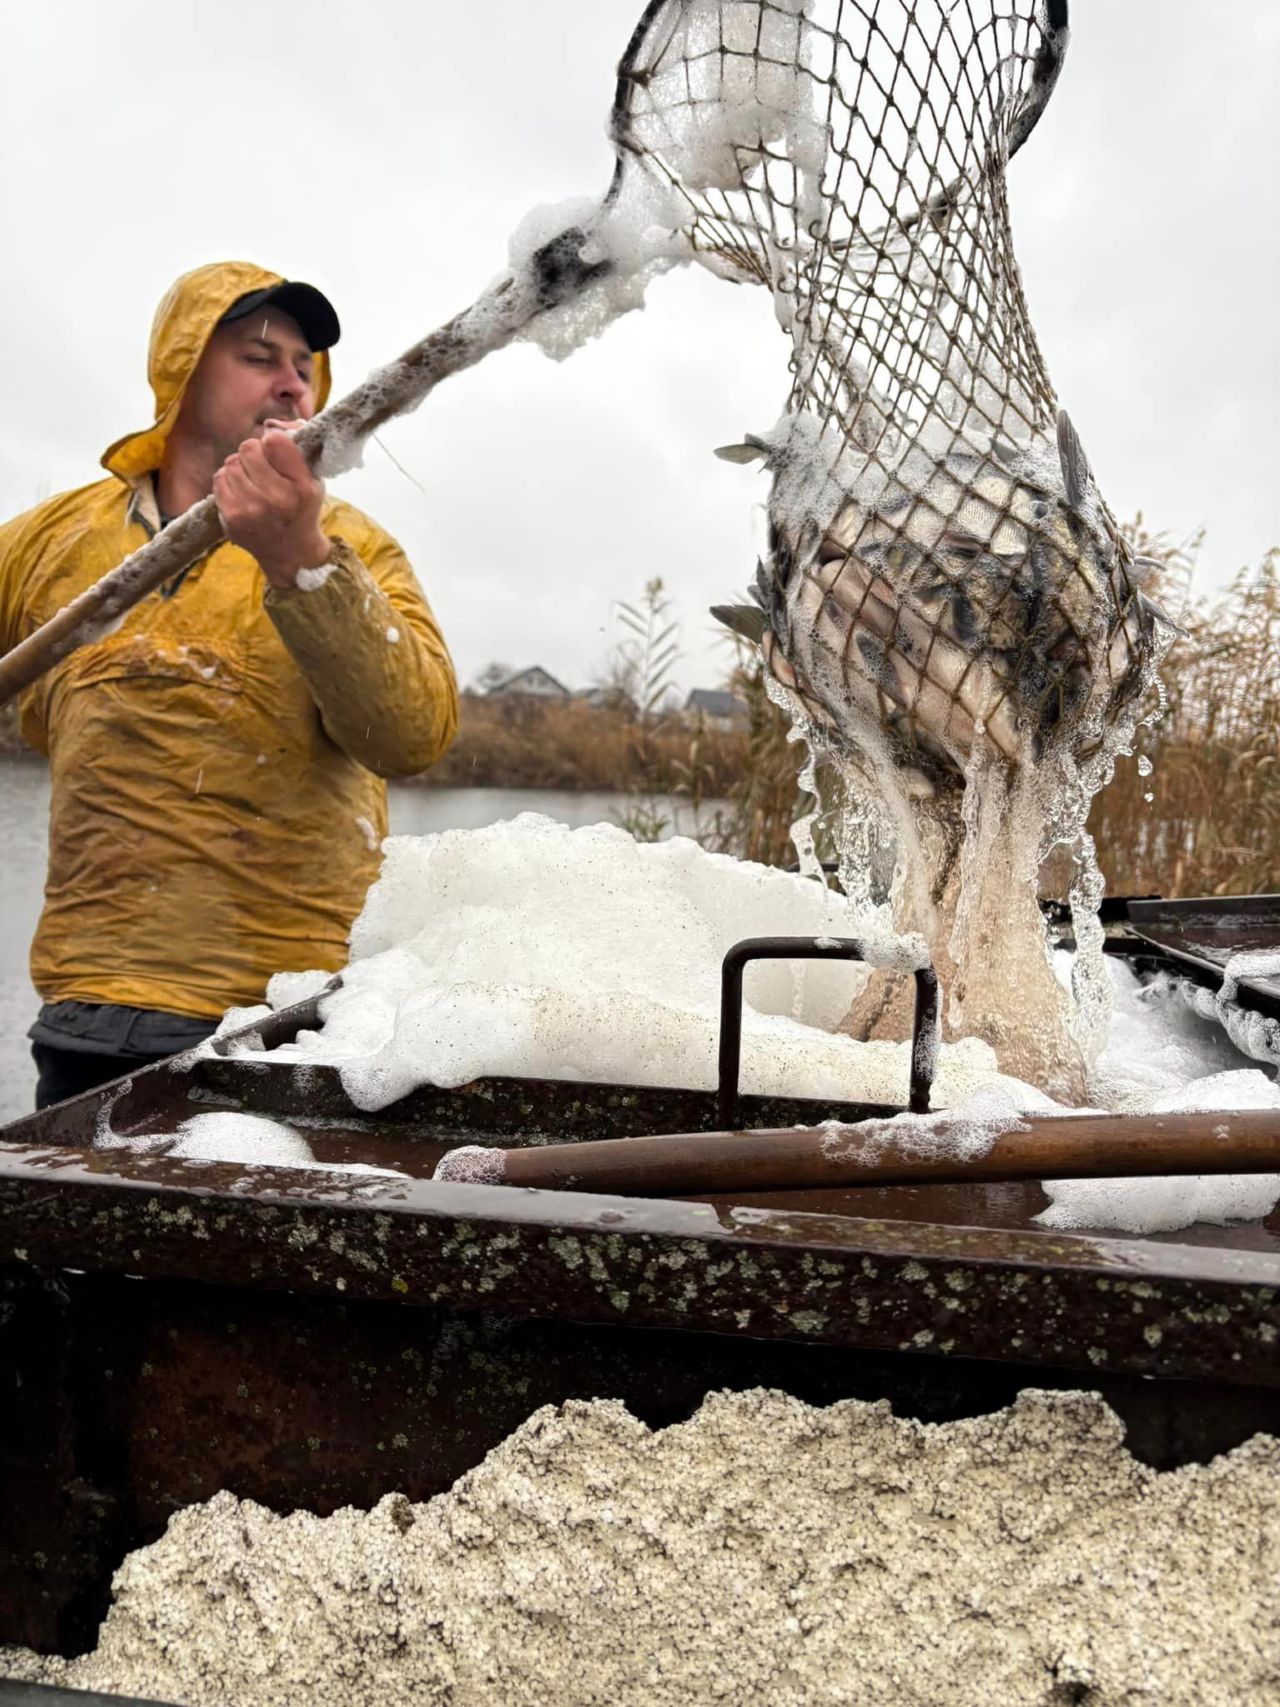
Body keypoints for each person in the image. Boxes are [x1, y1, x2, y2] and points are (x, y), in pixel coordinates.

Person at [0, 260, 458, 1109]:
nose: (294, 383)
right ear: (180, 372)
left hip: (291, 1015)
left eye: (306, 365)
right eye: (259, 355)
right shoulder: (49, 541)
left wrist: (301, 563)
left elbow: (414, 736)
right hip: (92, 1011)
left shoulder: (351, 545)